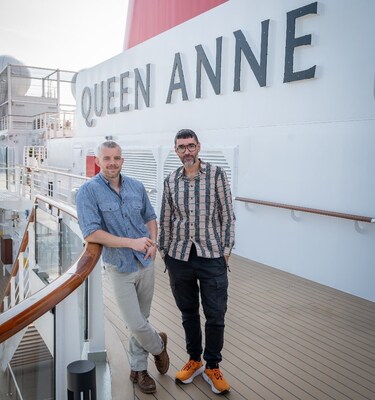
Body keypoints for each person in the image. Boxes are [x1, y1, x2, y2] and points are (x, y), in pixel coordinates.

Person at [76, 140, 169, 394]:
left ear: (122, 160)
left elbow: (150, 217)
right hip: (120, 267)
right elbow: (91, 232)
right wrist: (133, 243)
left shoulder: (136, 186)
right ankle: (159, 346)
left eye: (116, 158)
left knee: (143, 318)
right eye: (107, 159)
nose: (112, 163)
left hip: (146, 262)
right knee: (135, 323)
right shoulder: (88, 191)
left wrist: (153, 243)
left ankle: (139, 370)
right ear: (98, 161)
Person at [159, 129, 235, 394]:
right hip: (179, 256)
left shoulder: (216, 174)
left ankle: (213, 365)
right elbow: (165, 218)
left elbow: (227, 214)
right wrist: (164, 252)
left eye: (190, 146)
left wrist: (226, 250)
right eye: (181, 147)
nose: (187, 151)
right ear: (176, 150)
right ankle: (194, 360)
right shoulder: (171, 180)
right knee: (188, 312)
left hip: (212, 254)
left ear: (198, 147)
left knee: (215, 314)